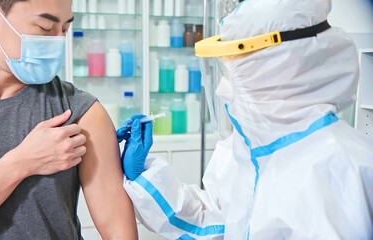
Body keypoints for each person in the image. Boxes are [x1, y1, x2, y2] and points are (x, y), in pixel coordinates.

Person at [119, 0, 373, 239]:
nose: (221, 89)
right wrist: (144, 177)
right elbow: (216, 222)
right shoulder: (245, 150)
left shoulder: (346, 168)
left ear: (287, 65)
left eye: (236, 71)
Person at [0, 0, 138, 239]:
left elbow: (119, 232)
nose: (57, 41)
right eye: (45, 28)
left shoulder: (81, 112)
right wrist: (20, 163)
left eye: (64, 30)